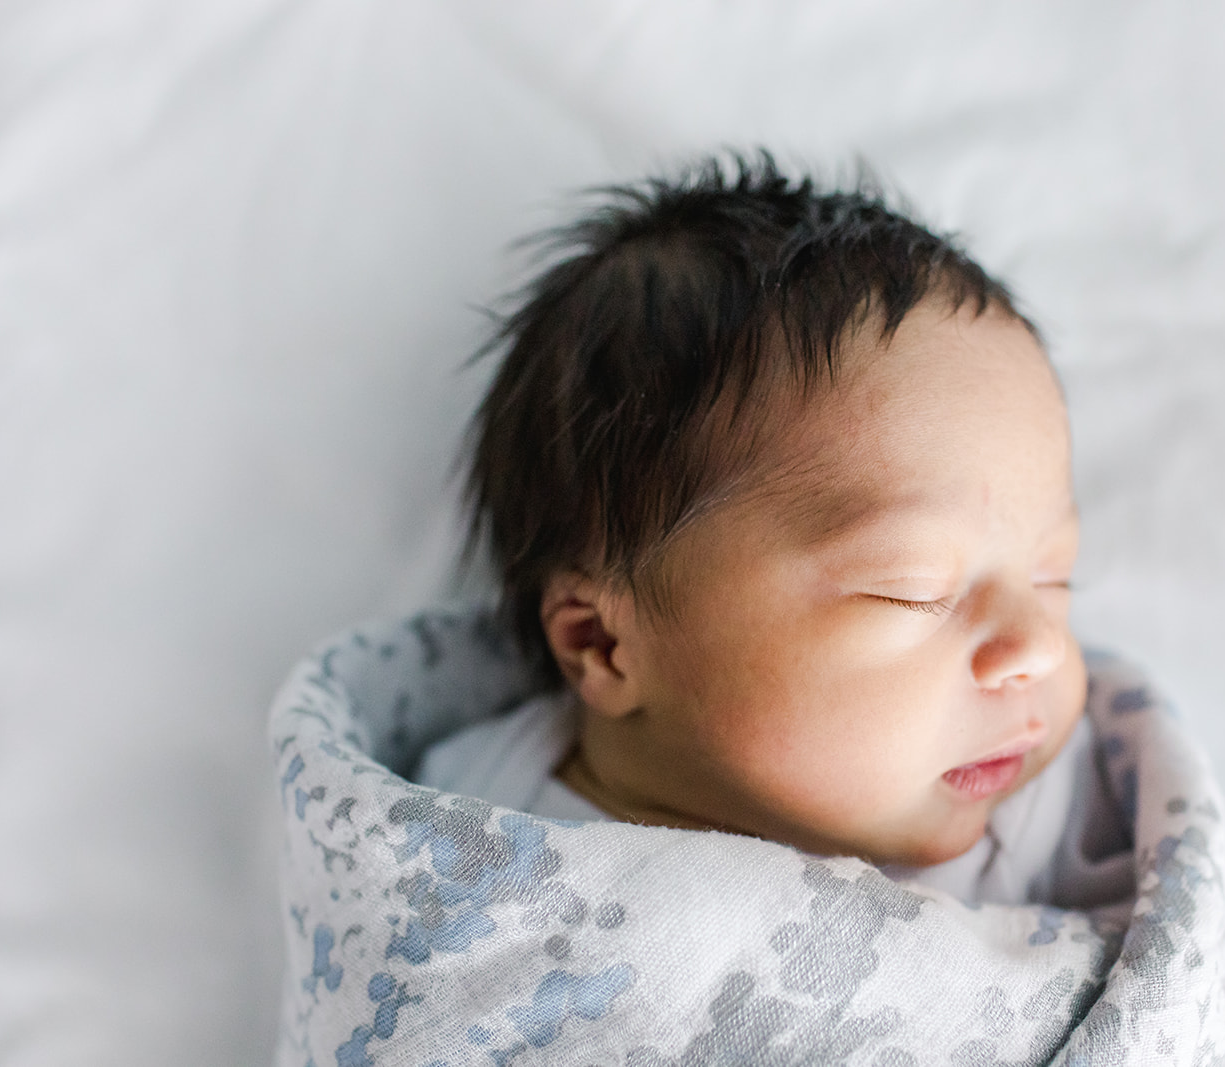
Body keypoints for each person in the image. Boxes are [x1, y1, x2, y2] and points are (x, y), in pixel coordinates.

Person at [416, 152, 1104, 904]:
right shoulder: (447, 838)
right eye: (908, 591)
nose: (1037, 647)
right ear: (603, 644)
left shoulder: (1069, 839)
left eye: (1053, 578)